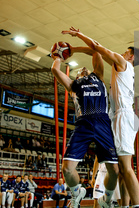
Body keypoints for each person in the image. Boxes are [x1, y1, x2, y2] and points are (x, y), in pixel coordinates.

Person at [62, 27, 139, 208]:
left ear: (131, 56)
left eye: (126, 52)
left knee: (126, 167)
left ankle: (136, 206)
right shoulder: (121, 67)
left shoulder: (123, 63)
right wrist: (74, 50)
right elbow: (95, 50)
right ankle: (124, 205)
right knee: (121, 170)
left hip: (123, 116)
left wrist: (79, 35)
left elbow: (97, 47)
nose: (123, 53)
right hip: (118, 116)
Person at [51, 46, 119, 208]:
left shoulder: (98, 76)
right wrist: (59, 56)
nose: (83, 69)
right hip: (83, 124)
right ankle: (76, 193)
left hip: (102, 122)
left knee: (115, 171)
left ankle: (107, 200)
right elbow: (54, 70)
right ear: (76, 76)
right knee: (66, 169)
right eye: (80, 71)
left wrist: (73, 49)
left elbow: (96, 51)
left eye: (85, 68)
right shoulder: (74, 85)